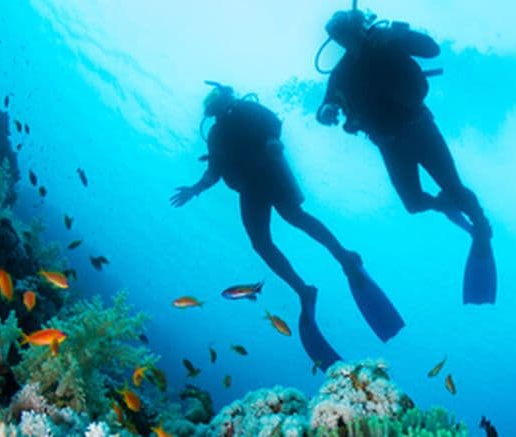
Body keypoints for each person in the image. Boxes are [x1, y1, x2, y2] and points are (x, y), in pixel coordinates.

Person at [171, 83, 403, 370]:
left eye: (217, 101)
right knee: (265, 240)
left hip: (269, 172)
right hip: (250, 188)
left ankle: (342, 259)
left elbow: (274, 124)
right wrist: (195, 189)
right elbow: (214, 172)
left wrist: (271, 141)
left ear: (224, 99)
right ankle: (306, 288)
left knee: (295, 218)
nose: (215, 107)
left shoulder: (246, 108)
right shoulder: (217, 134)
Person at [316, 10, 496, 303]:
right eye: (339, 37)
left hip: (421, 129)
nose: (345, 40)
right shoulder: (341, 73)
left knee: (454, 186)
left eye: (346, 33)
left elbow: (431, 49)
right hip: (390, 145)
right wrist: (325, 112)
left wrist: (400, 34)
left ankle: (480, 225)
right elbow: (327, 103)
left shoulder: (387, 41)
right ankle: (446, 204)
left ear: (358, 27)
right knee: (413, 204)